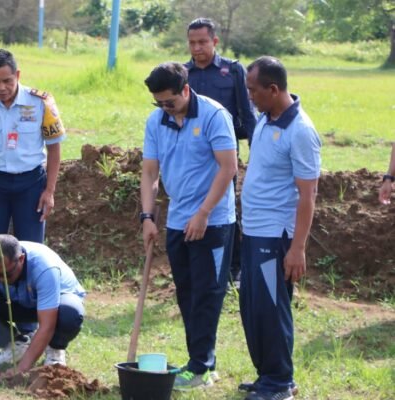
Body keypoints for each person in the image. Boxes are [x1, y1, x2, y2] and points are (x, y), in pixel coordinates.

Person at [139, 62, 237, 390]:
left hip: (214, 220)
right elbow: (150, 173)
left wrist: (204, 213)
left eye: (170, 102)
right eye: (159, 103)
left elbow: (228, 168)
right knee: (187, 292)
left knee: (207, 293)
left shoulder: (213, 116)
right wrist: (148, 217)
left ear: (185, 90)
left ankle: (202, 367)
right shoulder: (156, 121)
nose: (165, 109)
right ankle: (199, 360)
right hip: (179, 220)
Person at [239, 56, 321, 400]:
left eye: (253, 90)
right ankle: (266, 375)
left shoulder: (300, 131)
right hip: (253, 230)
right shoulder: (264, 118)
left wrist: (297, 248)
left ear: (273, 89)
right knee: (253, 308)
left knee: (272, 310)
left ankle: (280, 382)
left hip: (276, 236)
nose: (249, 96)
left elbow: (308, 194)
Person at [0, 49, 65, 271]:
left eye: (7, 81)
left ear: (18, 75)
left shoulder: (41, 103)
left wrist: (49, 191)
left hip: (31, 184)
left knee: (32, 249)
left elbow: (54, 149)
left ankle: (30, 303)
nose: (1, 88)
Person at [184, 17, 257, 287]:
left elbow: (247, 114)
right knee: (193, 206)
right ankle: (197, 266)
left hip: (224, 153)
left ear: (214, 41)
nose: (197, 48)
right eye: (192, 43)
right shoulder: (183, 74)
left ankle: (233, 269)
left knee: (227, 209)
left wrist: (255, 148)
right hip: (191, 154)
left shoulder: (233, 71)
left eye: (202, 42)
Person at [0, 234, 85, 382]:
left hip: (57, 302)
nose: (1, 279)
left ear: (21, 259)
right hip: (17, 301)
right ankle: (15, 344)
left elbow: (47, 325)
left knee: (69, 315)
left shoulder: (44, 267)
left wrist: (21, 369)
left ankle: (55, 349)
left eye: (7, 274)